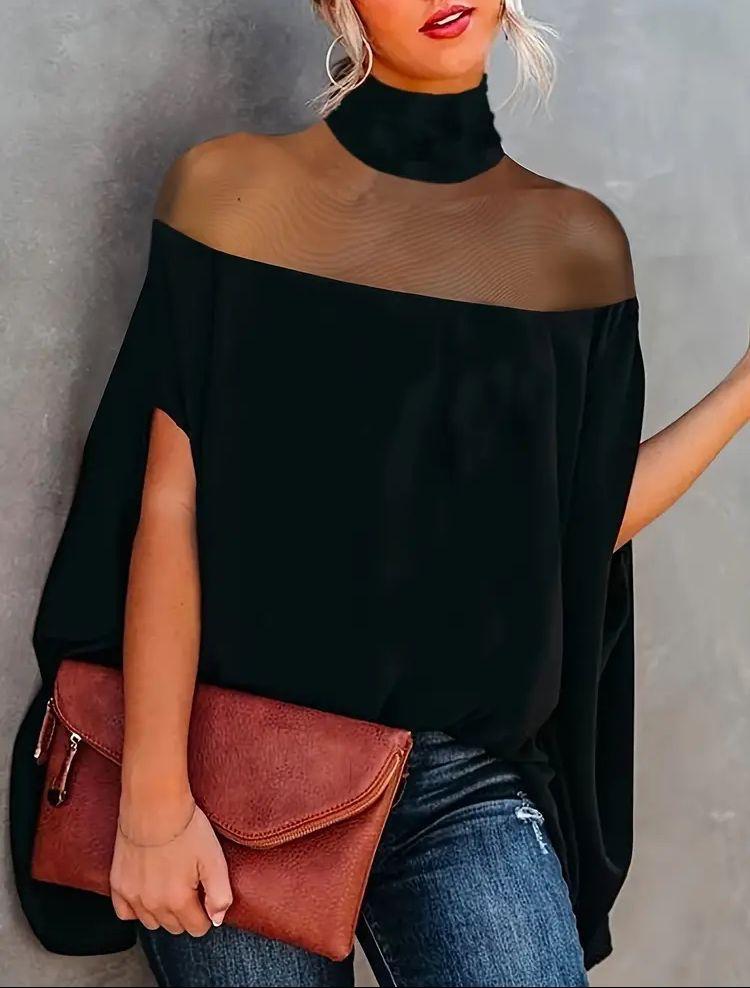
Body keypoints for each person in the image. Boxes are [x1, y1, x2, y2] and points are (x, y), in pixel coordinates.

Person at [9, 2, 750, 986]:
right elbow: (167, 508)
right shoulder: (234, 193)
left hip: (459, 777)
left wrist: (745, 389)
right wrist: (151, 804)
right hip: (233, 766)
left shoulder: (574, 247)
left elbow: (570, 532)